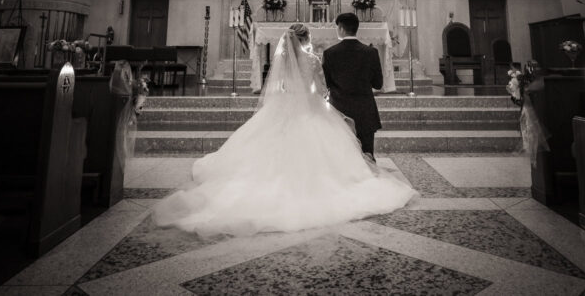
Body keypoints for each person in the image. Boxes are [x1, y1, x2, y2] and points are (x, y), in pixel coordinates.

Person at [152, 23, 415, 237]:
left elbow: (277, 90)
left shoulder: (281, 59)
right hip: (311, 112)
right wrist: (318, 101)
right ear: (306, 39)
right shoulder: (313, 60)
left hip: (283, 112)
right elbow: (322, 89)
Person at [323, 13, 384, 161]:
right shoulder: (371, 52)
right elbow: (378, 84)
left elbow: (326, 84)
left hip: (339, 112)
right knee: (367, 155)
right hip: (365, 111)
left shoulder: (330, 53)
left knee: (342, 157)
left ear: (342, 29)